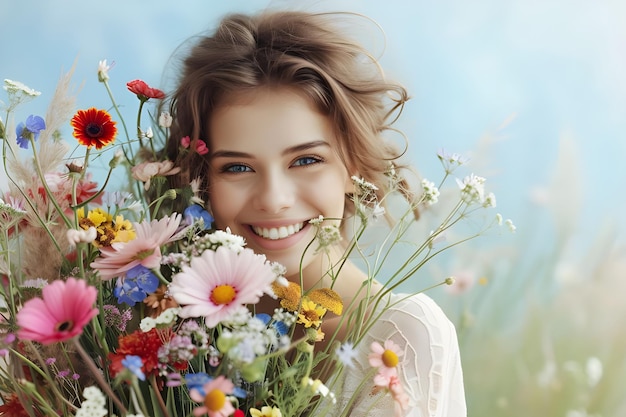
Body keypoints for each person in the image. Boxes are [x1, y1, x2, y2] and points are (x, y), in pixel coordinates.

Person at [161, 10, 467, 417]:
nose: (273, 199)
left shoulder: (404, 334)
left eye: (305, 160)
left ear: (353, 168)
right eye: (237, 167)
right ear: (203, 181)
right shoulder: (172, 320)